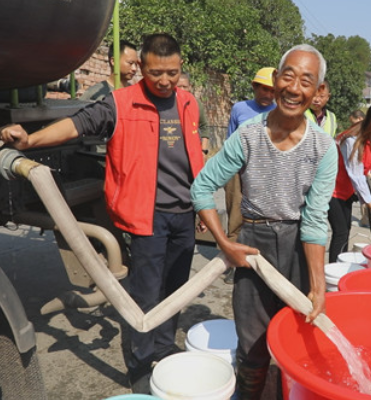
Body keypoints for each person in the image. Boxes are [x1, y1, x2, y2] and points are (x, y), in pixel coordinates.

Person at [1, 33, 205, 393]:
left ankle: (162, 347)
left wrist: (203, 204)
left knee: (176, 289)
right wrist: (30, 141)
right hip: (147, 218)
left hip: (184, 214)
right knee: (143, 295)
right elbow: (76, 125)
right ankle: (140, 364)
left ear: (180, 68)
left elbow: (193, 158)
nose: (164, 81)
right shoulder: (120, 103)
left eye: (172, 73)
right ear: (141, 67)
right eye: (156, 72)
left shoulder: (188, 102)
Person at [191, 44, 336, 399]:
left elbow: (316, 221)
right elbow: (202, 187)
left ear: (317, 93)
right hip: (252, 245)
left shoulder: (323, 148)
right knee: (252, 348)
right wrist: (225, 243)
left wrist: (318, 286)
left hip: (298, 246)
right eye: (288, 76)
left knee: (300, 342)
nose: (295, 88)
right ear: (275, 80)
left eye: (307, 81)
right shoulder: (248, 136)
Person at [223, 67, 276, 284]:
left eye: (273, 91)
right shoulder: (240, 108)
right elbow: (229, 139)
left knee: (261, 219)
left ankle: (260, 262)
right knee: (235, 217)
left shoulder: (278, 111)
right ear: (254, 87)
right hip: (237, 169)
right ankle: (232, 262)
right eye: (264, 89)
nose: (268, 95)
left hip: (265, 171)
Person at [328, 120, 371, 262]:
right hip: (333, 191)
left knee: (345, 231)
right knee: (340, 232)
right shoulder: (351, 141)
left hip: (346, 192)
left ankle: (341, 265)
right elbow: (357, 177)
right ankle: (334, 269)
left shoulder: (365, 141)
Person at [177, 71, 210, 158]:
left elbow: (204, 127)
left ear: (190, 87)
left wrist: (204, 151)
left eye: (185, 87)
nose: (182, 90)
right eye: (179, 87)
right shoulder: (169, 105)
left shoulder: (195, 103)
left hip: (193, 152)